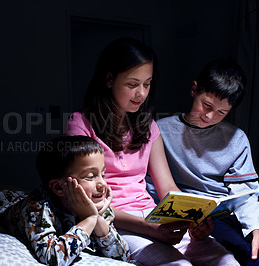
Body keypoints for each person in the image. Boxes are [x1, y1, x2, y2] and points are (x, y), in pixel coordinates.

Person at [65, 37, 239, 265]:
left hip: (152, 215)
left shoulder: (148, 126)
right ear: (109, 80)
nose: (141, 94)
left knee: (227, 262)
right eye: (132, 84)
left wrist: (192, 218)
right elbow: (85, 201)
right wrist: (148, 228)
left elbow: (167, 187)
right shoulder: (80, 124)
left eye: (147, 84)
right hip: (114, 221)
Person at [146, 59, 259, 265]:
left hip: (229, 210)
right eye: (206, 105)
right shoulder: (161, 130)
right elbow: (151, 183)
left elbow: (244, 193)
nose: (210, 116)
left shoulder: (236, 138)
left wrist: (256, 229)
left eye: (221, 112)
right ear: (194, 90)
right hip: (199, 217)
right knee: (247, 258)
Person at [0, 135, 130, 265]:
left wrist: (98, 219)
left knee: (15, 195)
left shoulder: (97, 205)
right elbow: (53, 257)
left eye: (103, 174)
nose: (102, 185)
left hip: (19, 199)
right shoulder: (37, 210)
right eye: (91, 176)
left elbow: (122, 257)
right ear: (58, 187)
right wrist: (89, 220)